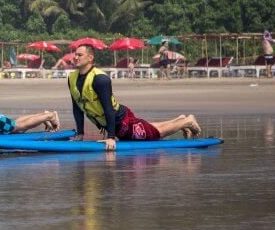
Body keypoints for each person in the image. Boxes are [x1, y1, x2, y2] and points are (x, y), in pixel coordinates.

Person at [68, 44, 202, 151]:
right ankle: (179, 120)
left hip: (122, 121)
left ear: (90, 58)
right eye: (75, 54)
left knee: (155, 133)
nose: (75, 57)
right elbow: (77, 107)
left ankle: (187, 122)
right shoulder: (72, 78)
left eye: (80, 55)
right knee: (147, 128)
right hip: (114, 123)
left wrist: (111, 137)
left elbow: (108, 109)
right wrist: (80, 133)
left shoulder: (100, 79)